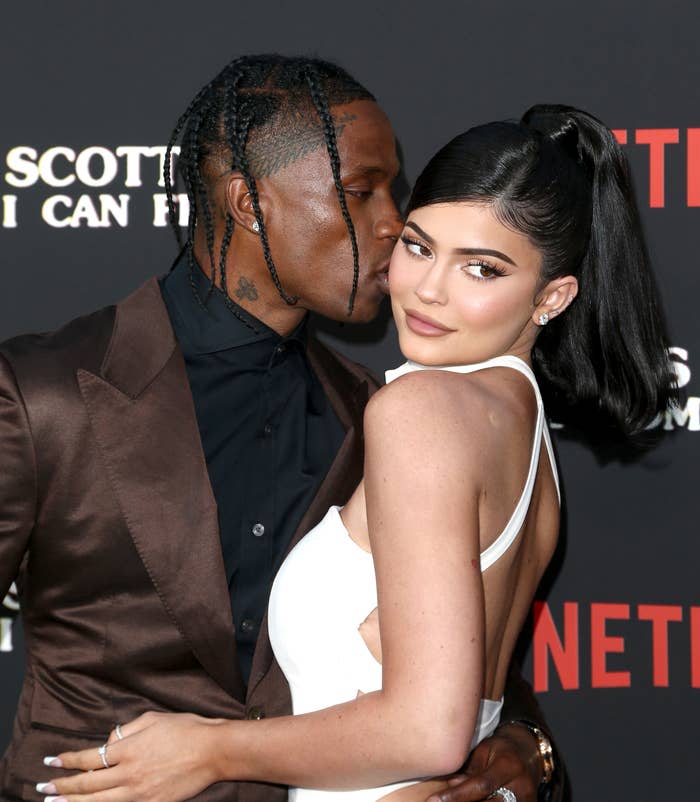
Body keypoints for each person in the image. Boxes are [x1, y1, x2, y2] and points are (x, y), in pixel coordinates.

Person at [34, 103, 677, 802]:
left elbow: (429, 729)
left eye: (482, 270)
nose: (428, 289)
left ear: (552, 297)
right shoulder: (517, 422)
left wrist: (208, 749)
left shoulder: (419, 410)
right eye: (419, 246)